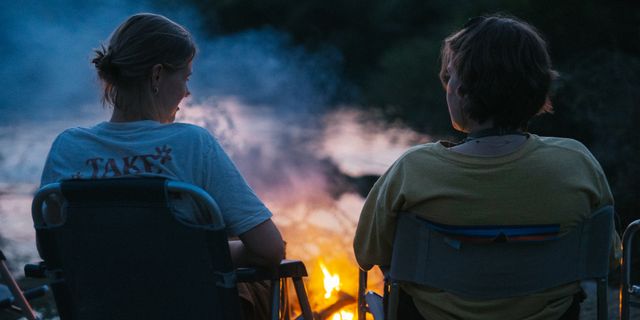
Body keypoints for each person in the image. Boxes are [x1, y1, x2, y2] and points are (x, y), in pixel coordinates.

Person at [353, 14, 621, 320]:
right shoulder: (577, 163)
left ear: (464, 89)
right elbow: (608, 258)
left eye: (451, 76)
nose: (447, 86)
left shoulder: (413, 170)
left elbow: (367, 254)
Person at [39, 13, 284, 320]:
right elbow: (271, 250)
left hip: (104, 310)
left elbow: (54, 252)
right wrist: (206, 251)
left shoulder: (67, 147)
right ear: (157, 76)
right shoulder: (193, 144)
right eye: (186, 77)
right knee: (261, 284)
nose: (187, 92)